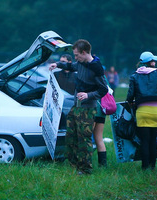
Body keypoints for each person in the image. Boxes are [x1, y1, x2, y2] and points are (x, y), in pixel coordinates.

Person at [49, 39, 108, 175]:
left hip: (87, 108)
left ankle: (86, 169)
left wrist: (88, 95)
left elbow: (103, 89)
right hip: (76, 106)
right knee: (71, 136)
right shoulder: (81, 63)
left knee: (84, 139)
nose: (75, 58)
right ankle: (73, 165)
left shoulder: (96, 67)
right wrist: (57, 64)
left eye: (76, 55)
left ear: (84, 52)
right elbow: (71, 66)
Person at [126, 51, 157, 170]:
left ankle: (144, 167)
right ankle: (152, 166)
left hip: (142, 111)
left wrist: (130, 101)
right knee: (154, 139)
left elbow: (130, 95)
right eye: (153, 60)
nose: (155, 62)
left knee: (144, 140)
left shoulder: (134, 75)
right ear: (150, 62)